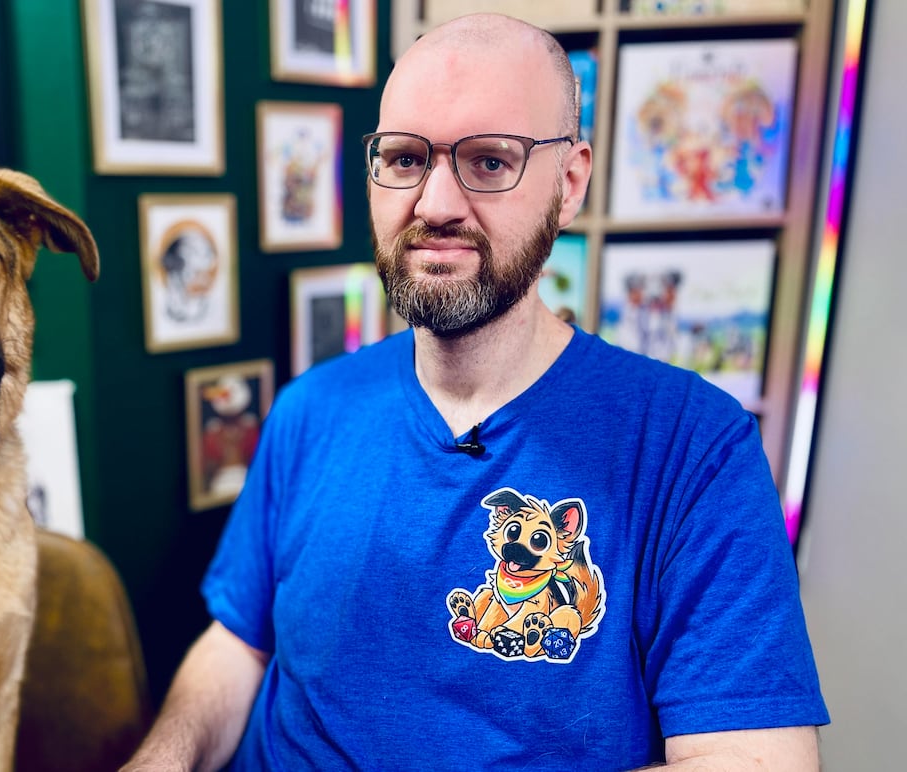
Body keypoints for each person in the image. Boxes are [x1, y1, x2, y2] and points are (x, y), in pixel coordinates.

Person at [124, 13, 828, 771]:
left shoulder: (692, 447)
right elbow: (238, 643)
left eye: (490, 162)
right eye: (403, 158)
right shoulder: (310, 409)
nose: (435, 204)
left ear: (569, 183)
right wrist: (161, 760)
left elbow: (755, 759)